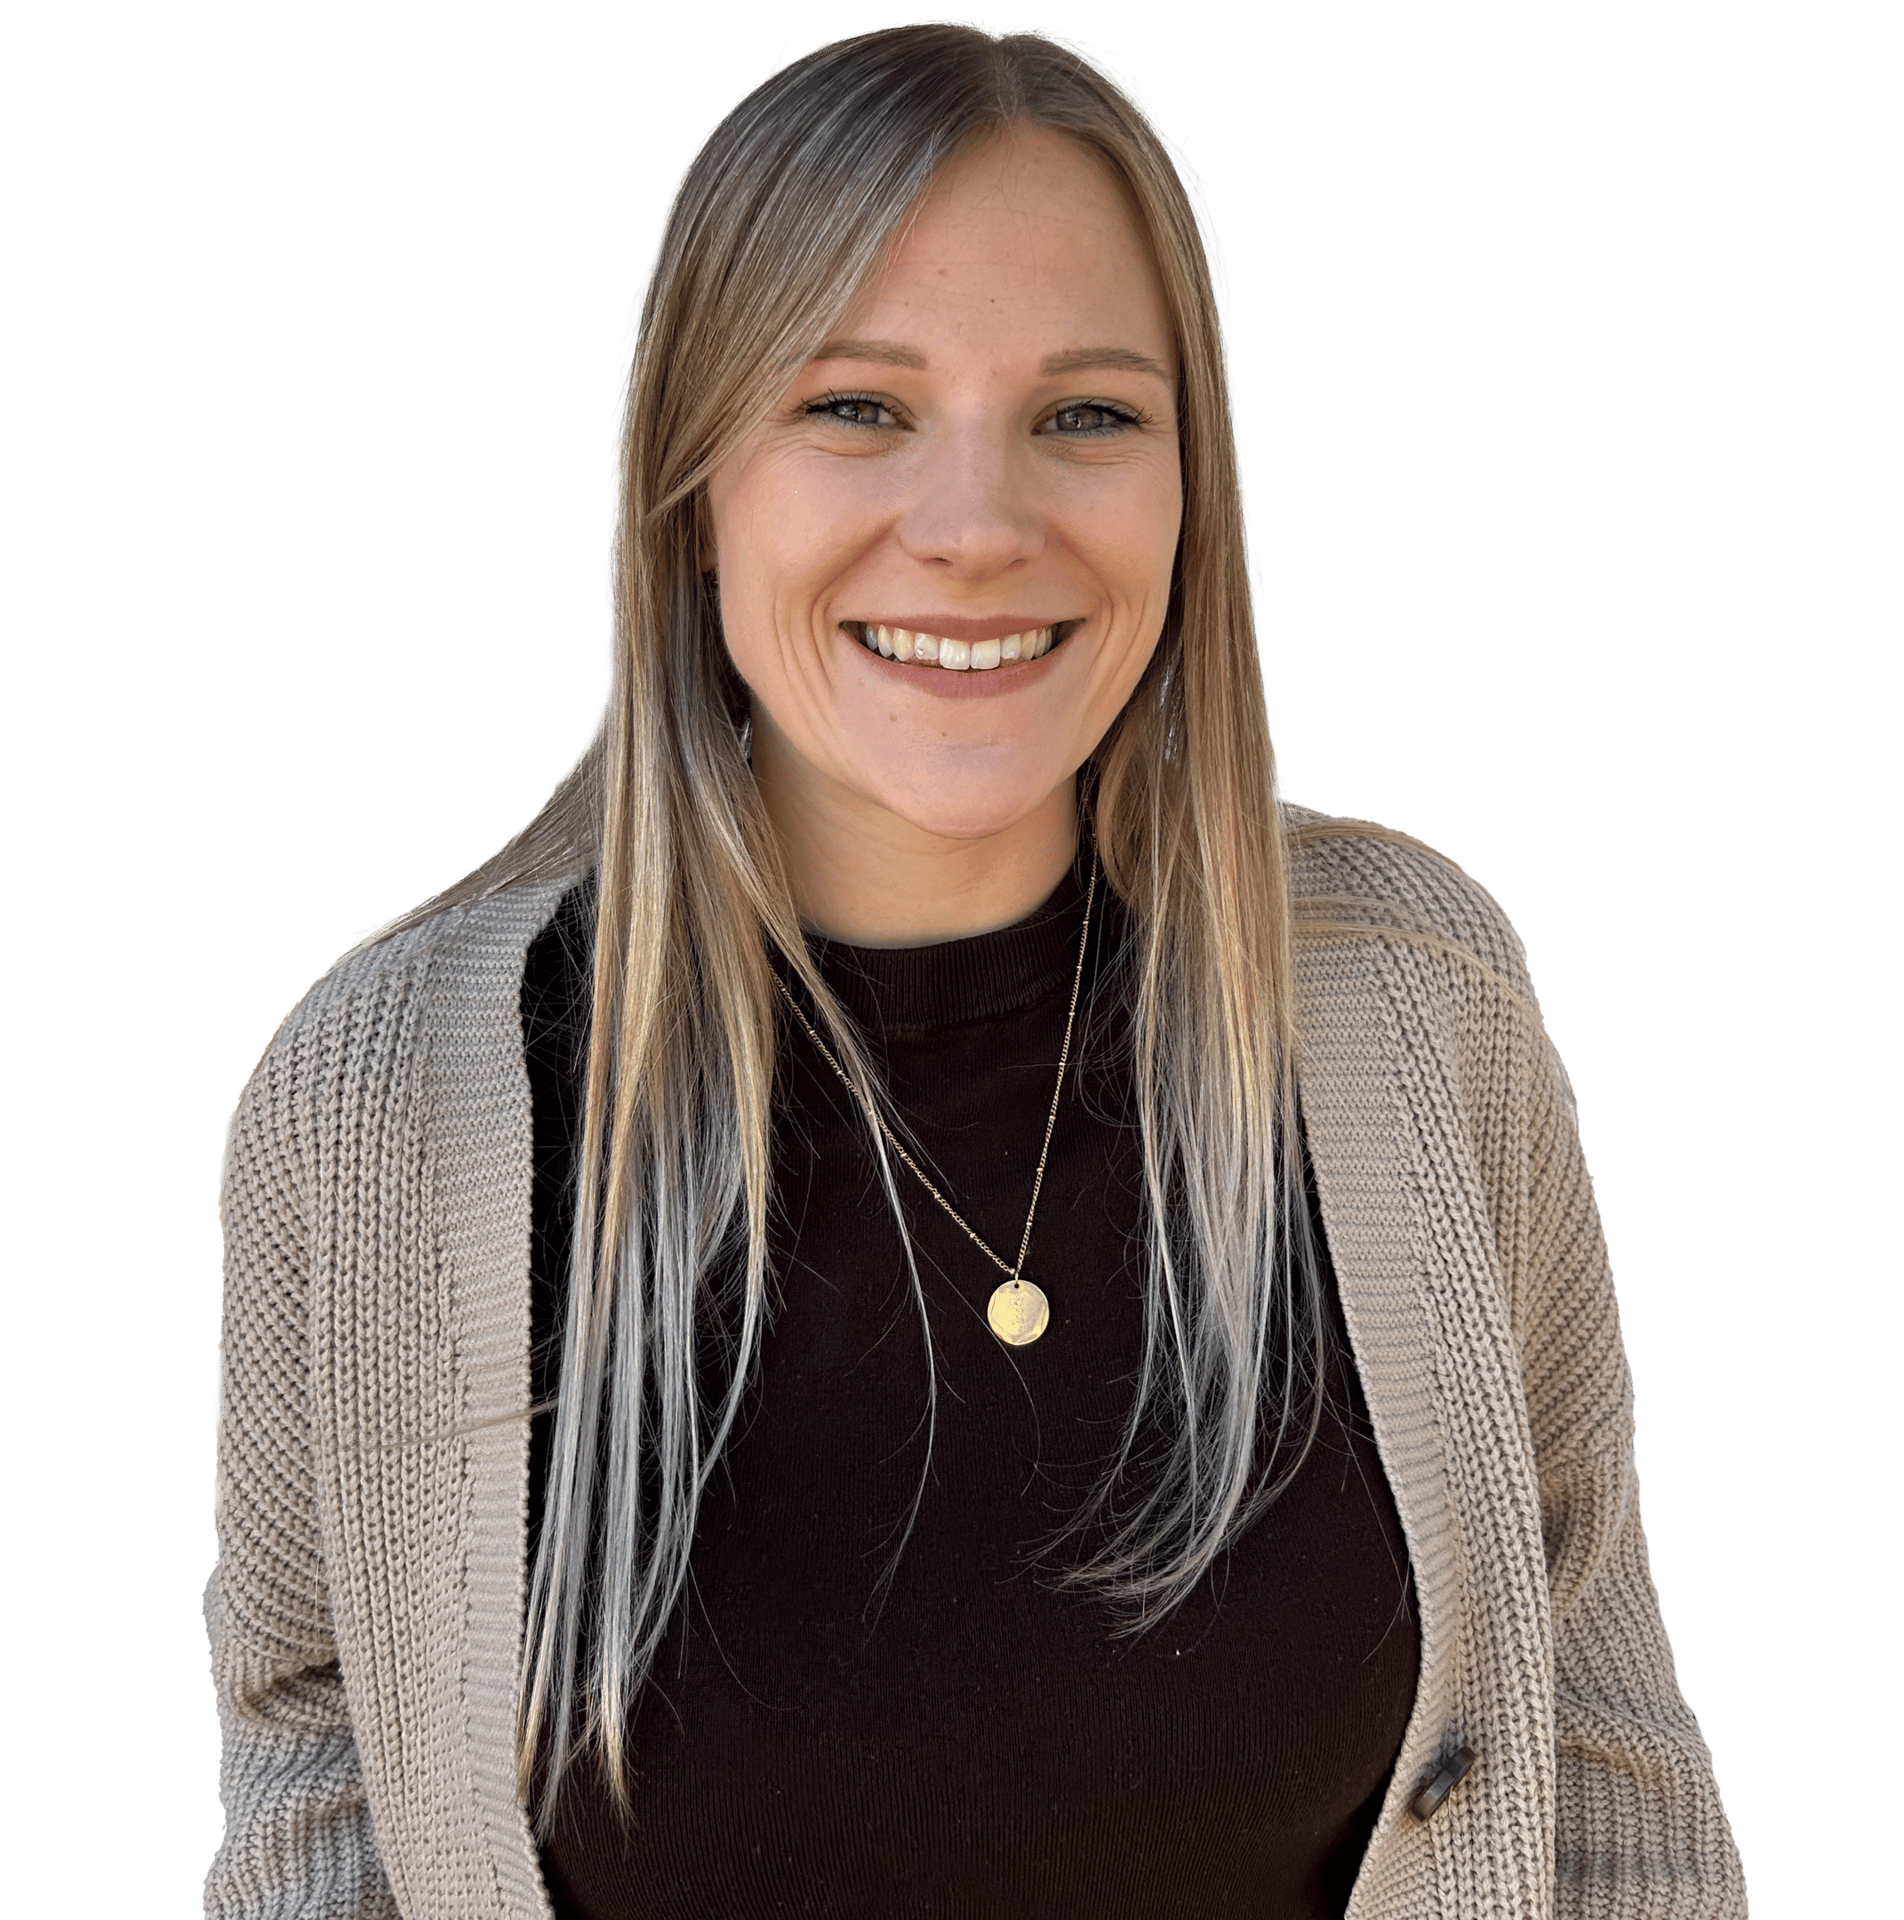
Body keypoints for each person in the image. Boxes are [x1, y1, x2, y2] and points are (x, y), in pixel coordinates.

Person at [202, 12, 1748, 1917]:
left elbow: (1595, 1758)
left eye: (1087, 414)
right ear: (691, 485)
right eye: (854, 407)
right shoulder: (383, 1113)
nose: (976, 527)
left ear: (1194, 488)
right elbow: (320, 1790)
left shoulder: (1414, 1005)